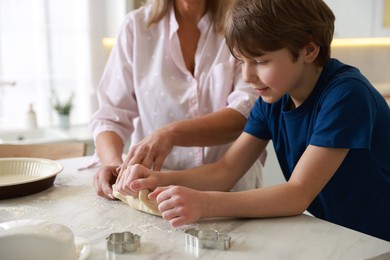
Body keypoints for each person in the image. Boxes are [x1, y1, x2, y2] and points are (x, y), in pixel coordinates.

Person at [114, 0, 390, 241]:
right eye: (241, 61)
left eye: (260, 61)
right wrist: (156, 179)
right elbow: (225, 170)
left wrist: (205, 204)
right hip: (338, 235)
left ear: (308, 50)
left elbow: (297, 194)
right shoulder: (274, 99)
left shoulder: (346, 96)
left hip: (378, 239)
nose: (247, 76)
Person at [89, 0, 265, 200]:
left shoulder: (243, 22)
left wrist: (170, 134)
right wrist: (114, 166)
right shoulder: (135, 27)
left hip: (231, 193)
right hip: (151, 193)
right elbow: (111, 116)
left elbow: (247, 112)